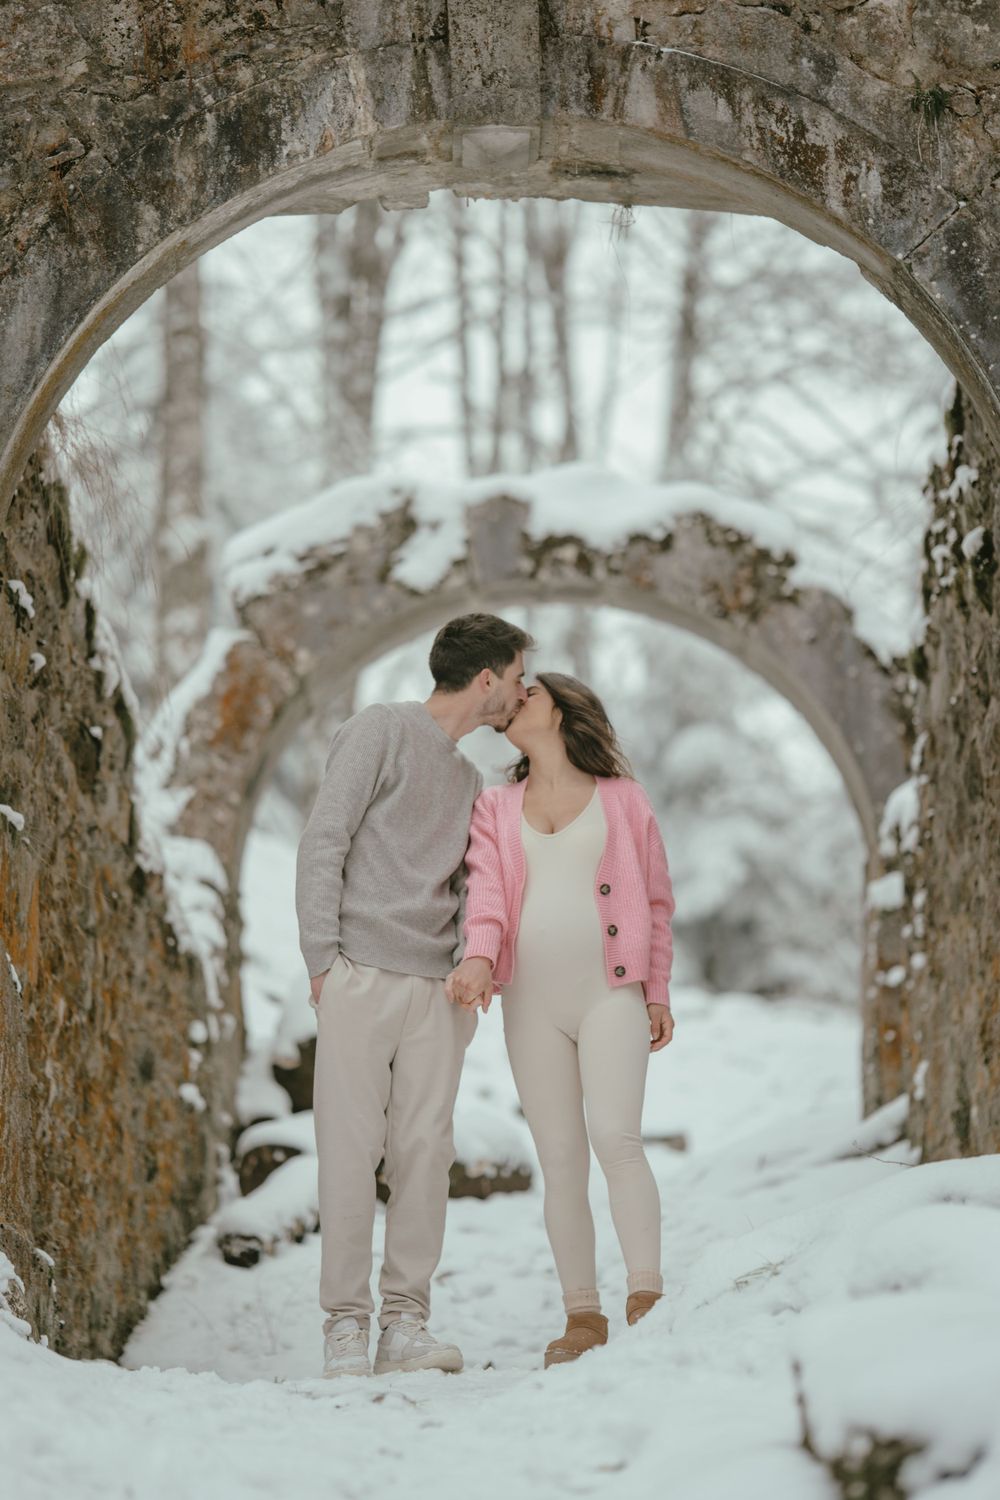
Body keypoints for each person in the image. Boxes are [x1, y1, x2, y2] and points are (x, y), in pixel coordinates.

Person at [295, 613, 533, 1379]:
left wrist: (474, 961)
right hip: (358, 973)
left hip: (440, 992)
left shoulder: (470, 780)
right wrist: (322, 960)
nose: (522, 692)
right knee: (348, 1149)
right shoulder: (381, 730)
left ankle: (405, 1326)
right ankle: (344, 1328)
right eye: (518, 675)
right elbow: (325, 838)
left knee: (425, 1153)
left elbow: (471, 887)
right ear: (488, 678)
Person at [446, 673, 675, 1369]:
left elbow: (658, 903)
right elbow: (484, 895)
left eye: (530, 693)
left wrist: (657, 989)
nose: (516, 701)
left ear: (565, 711)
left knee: (617, 1138)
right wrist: (480, 958)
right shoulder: (494, 807)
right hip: (531, 1004)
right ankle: (583, 1314)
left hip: (613, 992)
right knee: (561, 1161)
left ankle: (647, 1297)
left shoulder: (625, 802)